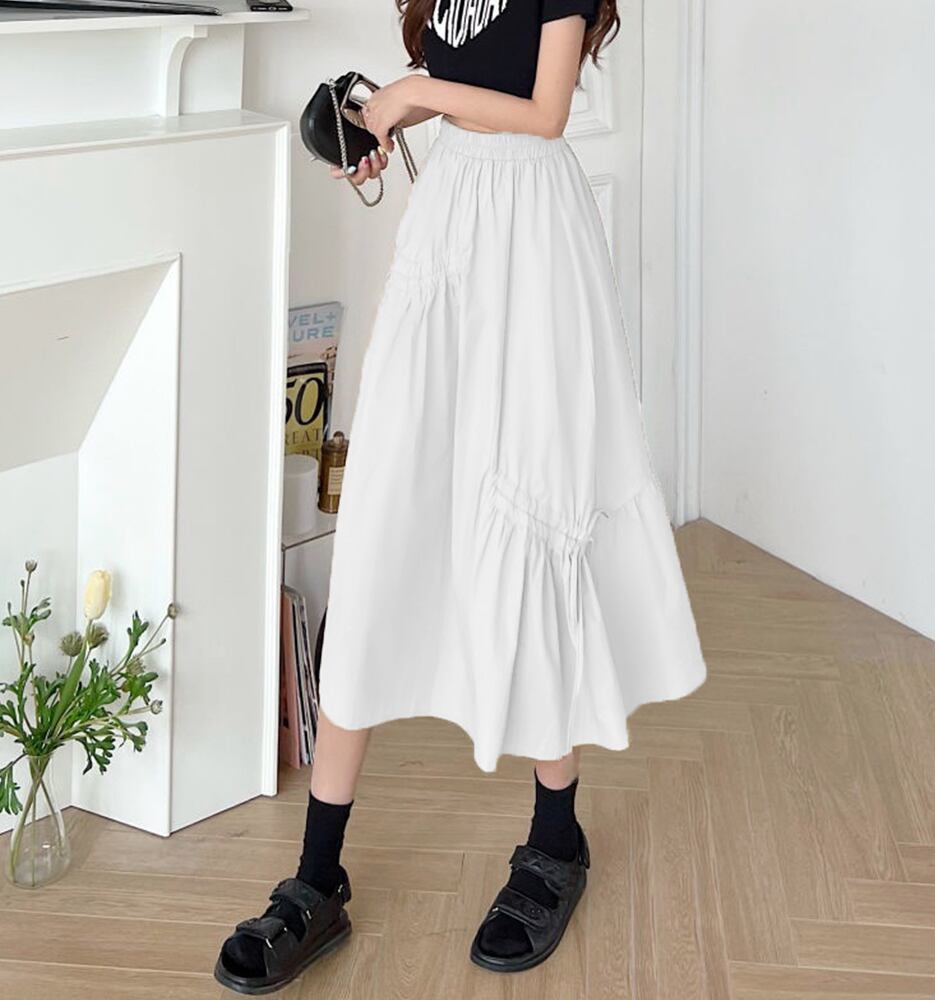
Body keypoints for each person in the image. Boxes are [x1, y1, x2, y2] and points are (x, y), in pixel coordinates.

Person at [214, 0, 707, 992]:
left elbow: (545, 111)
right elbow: (465, 90)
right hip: (449, 229)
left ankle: (555, 839)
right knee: (386, 514)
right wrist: (382, 123)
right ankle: (316, 877)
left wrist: (416, 94)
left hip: (536, 241)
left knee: (532, 503)